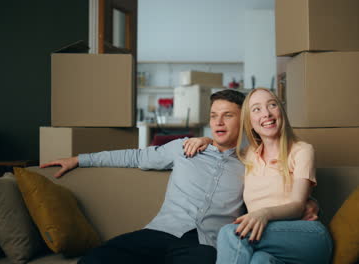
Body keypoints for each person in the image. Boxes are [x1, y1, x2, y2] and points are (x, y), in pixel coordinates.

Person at [40, 89, 247, 264]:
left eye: (228, 115)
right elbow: (134, 157)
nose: (218, 122)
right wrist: (79, 159)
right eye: (213, 115)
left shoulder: (254, 164)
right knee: (94, 260)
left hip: (204, 245)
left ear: (244, 119)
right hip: (161, 232)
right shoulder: (183, 148)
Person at [184, 88, 332, 264]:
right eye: (256, 109)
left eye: (272, 105)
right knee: (260, 260)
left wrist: (264, 214)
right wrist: (205, 140)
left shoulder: (301, 150)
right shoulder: (248, 155)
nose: (267, 114)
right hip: (266, 239)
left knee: (232, 233)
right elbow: (224, 143)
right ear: (249, 121)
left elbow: (298, 206)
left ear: (281, 112)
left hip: (308, 237)